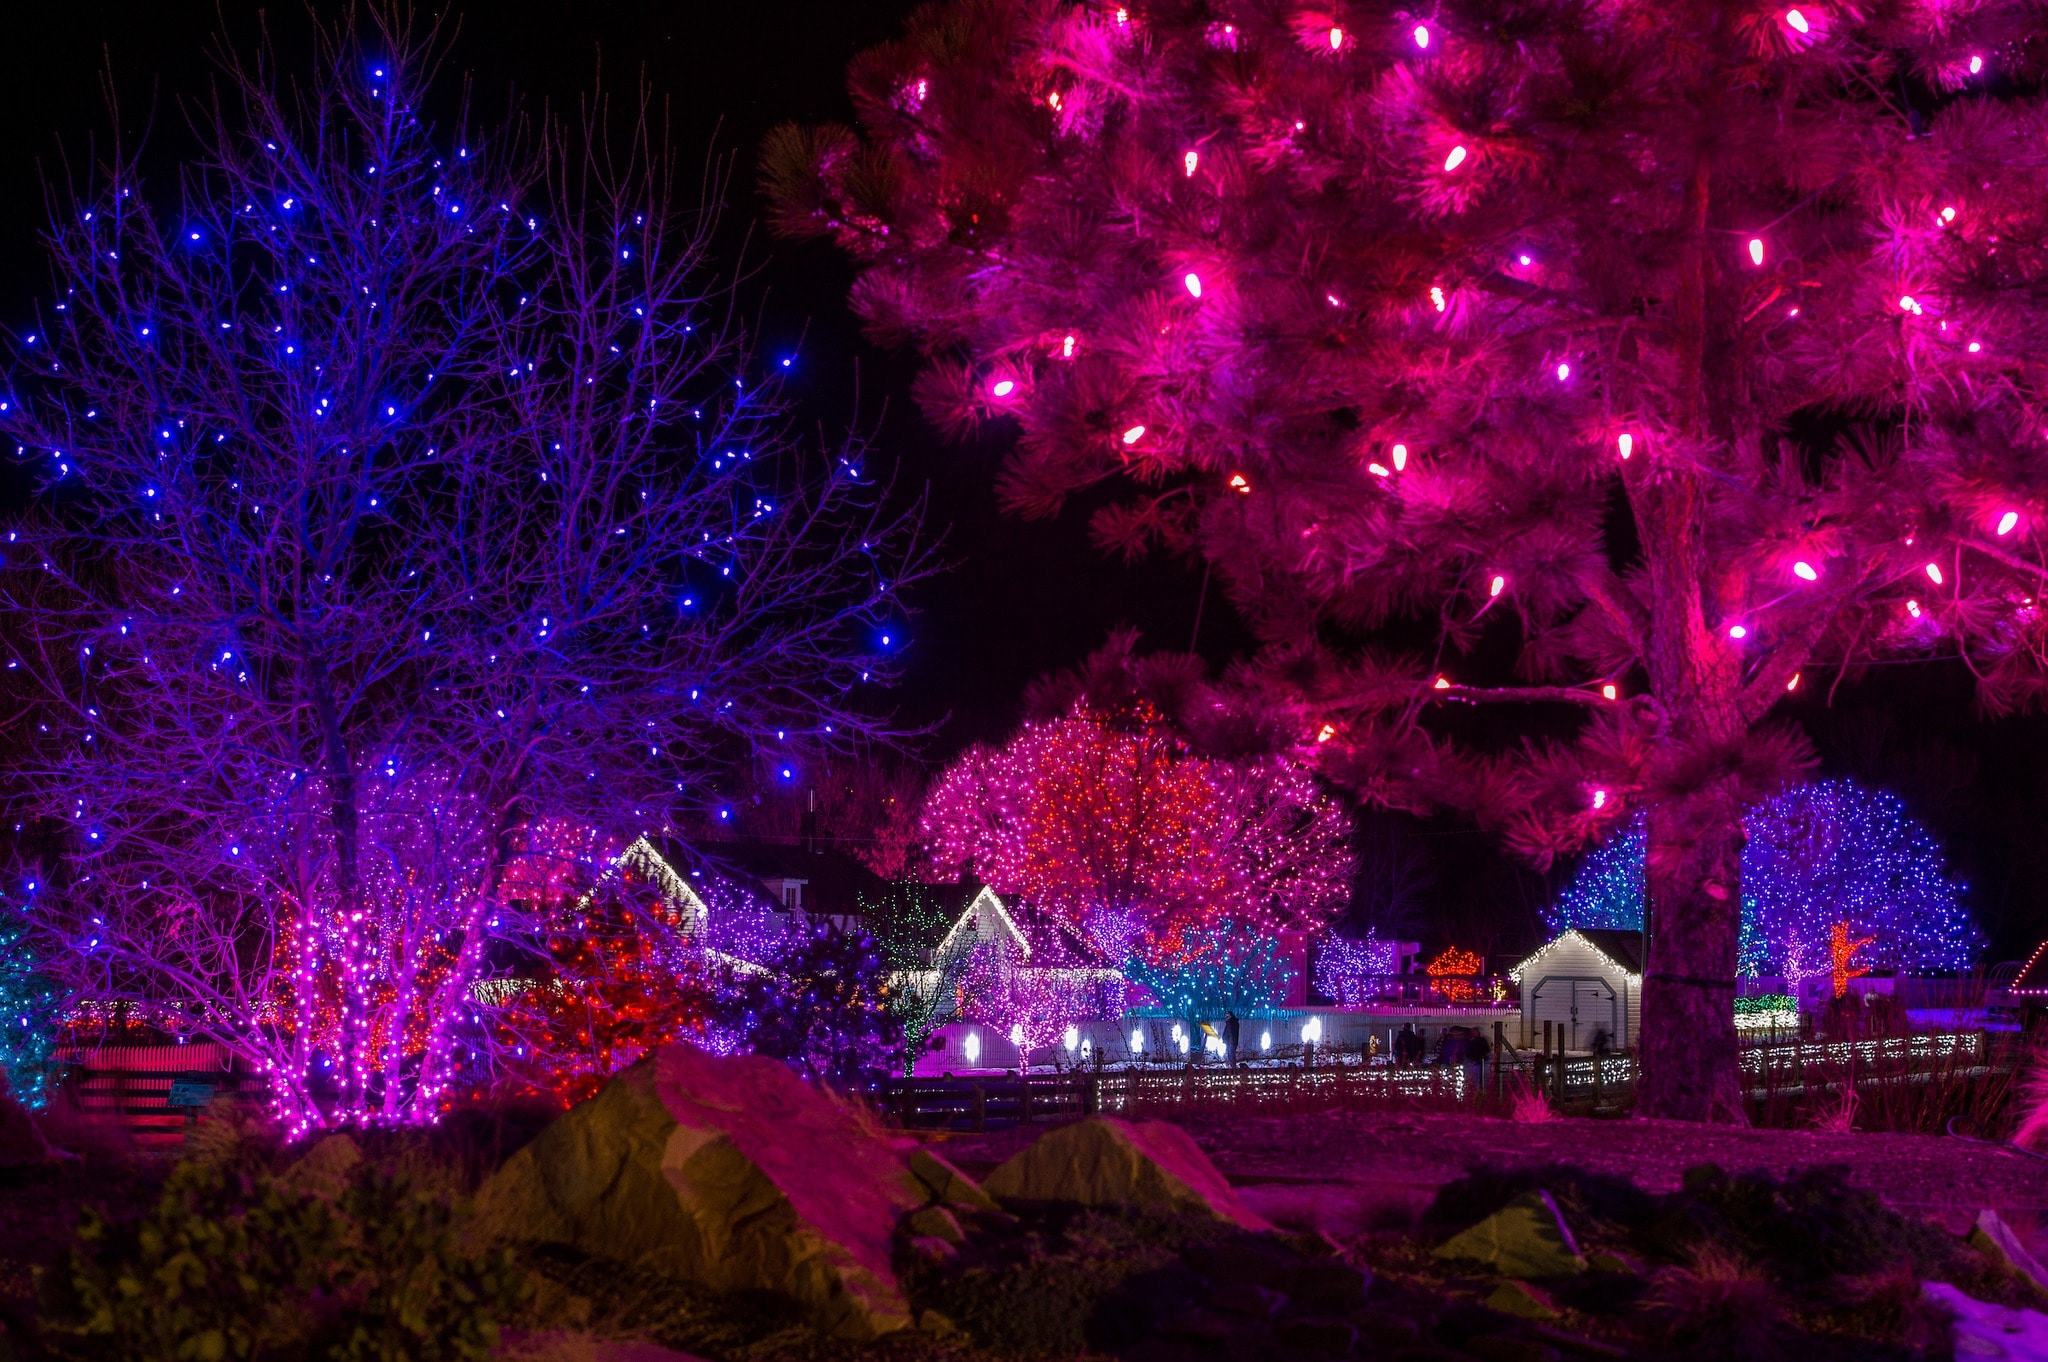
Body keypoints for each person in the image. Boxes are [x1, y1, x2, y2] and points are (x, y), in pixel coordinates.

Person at [1463, 1028, 1491, 1094]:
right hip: (1476, 1063)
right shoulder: (1472, 1041)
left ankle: (1479, 1093)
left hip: (1478, 1063)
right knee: (1477, 1080)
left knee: (1479, 1080)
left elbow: (1485, 1051)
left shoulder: (1479, 1041)